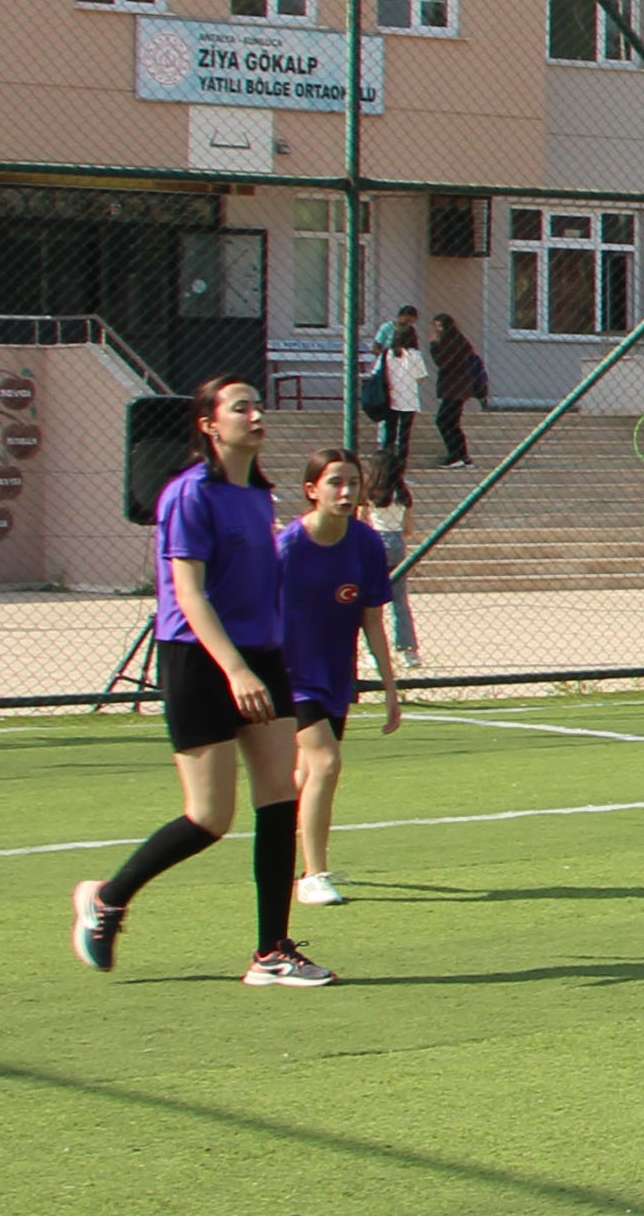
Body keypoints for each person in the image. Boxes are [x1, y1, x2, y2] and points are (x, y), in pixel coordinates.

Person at [70, 377, 334, 987]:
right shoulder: (188, 494)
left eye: (257, 404)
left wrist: (269, 658)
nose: (255, 414)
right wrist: (234, 668)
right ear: (210, 424)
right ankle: (107, 897)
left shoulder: (257, 495)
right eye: (241, 407)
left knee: (279, 798)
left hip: (261, 656)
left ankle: (272, 952)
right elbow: (188, 593)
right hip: (198, 660)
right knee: (209, 817)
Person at [277, 446, 402, 907]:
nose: (347, 491)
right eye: (335, 482)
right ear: (312, 490)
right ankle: (313, 875)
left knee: (308, 772)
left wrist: (390, 687)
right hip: (289, 676)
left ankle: (280, 840)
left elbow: (371, 619)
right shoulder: (288, 547)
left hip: (335, 677)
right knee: (326, 763)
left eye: (353, 482)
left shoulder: (366, 544)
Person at [364, 454, 422, 671]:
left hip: (377, 542)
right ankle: (408, 651)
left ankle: (374, 652)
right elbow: (408, 528)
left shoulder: (372, 493)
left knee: (372, 603)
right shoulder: (402, 495)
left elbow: (363, 520)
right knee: (400, 601)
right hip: (397, 542)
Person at [427, 314, 488, 468]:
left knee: (444, 420)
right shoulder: (459, 341)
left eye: (440, 326)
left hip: (455, 388)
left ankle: (456, 455)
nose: (437, 330)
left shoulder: (451, 342)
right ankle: (461, 455)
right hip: (458, 387)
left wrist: (434, 345)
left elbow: (442, 362)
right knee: (451, 422)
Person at [377, 309, 429, 469]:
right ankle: (401, 463)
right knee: (404, 434)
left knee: (390, 432)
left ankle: (386, 461)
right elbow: (421, 379)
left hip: (390, 397)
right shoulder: (415, 355)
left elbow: (377, 372)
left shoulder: (387, 354)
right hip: (408, 399)